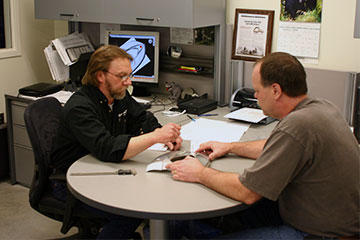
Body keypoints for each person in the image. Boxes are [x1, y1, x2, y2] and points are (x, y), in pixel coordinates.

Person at [166, 52, 360, 239]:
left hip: (316, 233)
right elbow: (275, 145)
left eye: (258, 91)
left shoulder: (297, 126)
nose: (256, 97)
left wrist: (199, 173)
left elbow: (247, 192)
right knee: (216, 220)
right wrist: (231, 147)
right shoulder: (320, 107)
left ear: (275, 90)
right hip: (333, 219)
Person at [50, 45, 182, 238]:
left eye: (129, 75)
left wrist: (164, 133)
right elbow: (108, 148)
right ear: (100, 76)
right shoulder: (80, 107)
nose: (128, 82)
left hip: (103, 171)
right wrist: (156, 137)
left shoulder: (117, 95)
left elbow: (142, 118)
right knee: (131, 212)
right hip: (72, 183)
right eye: (122, 76)